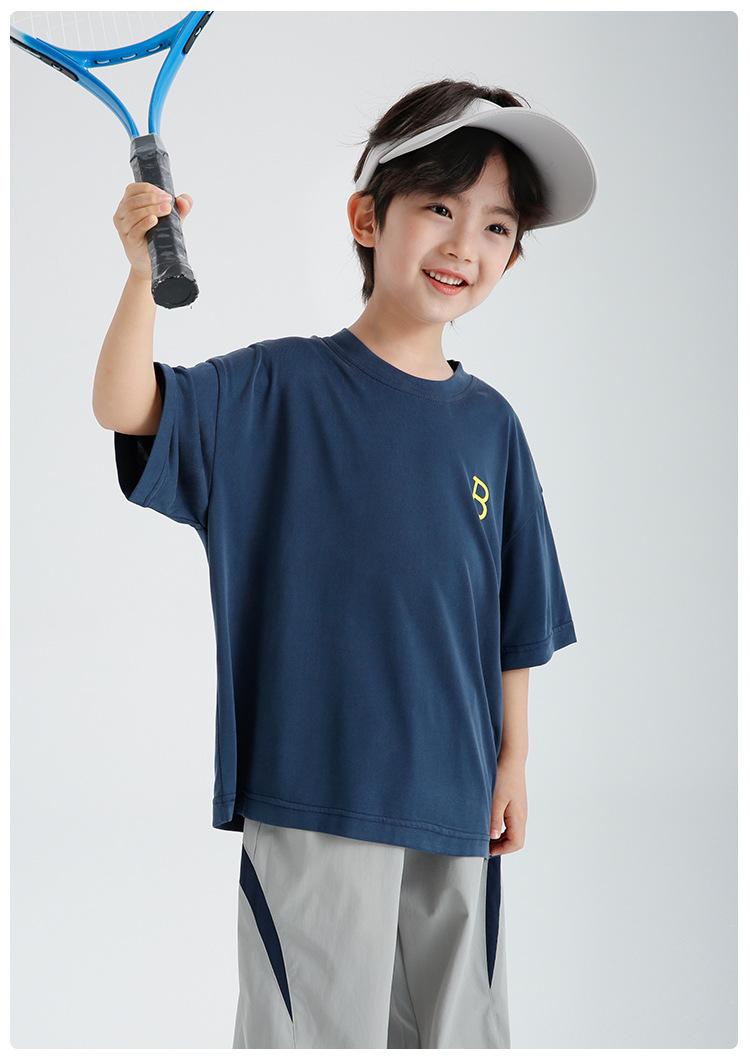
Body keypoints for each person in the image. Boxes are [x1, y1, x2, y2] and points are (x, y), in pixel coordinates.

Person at [92, 77, 596, 1049]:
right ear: (368, 218)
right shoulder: (278, 387)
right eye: (440, 207)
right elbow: (125, 404)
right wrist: (139, 273)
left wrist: (513, 761)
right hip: (313, 789)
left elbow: (514, 618)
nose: (464, 244)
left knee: (460, 1033)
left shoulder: (492, 427)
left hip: (456, 803)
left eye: (497, 226)